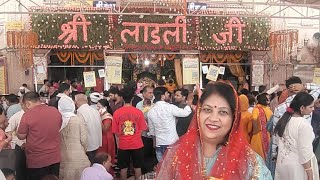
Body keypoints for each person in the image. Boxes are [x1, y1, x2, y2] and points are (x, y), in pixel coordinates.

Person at [156, 81, 272, 179]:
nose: (213, 118)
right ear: (198, 114)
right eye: (207, 110)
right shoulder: (176, 155)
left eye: (223, 112)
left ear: (234, 118)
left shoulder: (250, 162)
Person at [272, 77, 320, 161]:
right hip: (306, 150)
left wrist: (274, 154)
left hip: (286, 153)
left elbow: (275, 133)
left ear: (287, 89)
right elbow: (318, 87)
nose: (312, 108)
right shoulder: (308, 103)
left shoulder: (279, 108)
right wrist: (304, 86)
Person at [274, 92, 319, 180]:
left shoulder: (285, 120)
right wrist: (310, 172)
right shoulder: (303, 124)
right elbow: (305, 150)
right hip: (299, 166)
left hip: (283, 163)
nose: (313, 109)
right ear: (302, 108)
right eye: (310, 107)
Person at [17, 92, 62, 180]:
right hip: (54, 157)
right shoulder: (55, 111)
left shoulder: (27, 115)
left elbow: (21, 136)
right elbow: (59, 127)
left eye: (23, 105)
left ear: (27, 103)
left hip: (37, 160)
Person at [148, 87, 192, 162]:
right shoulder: (170, 107)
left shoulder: (151, 111)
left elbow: (152, 131)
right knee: (173, 170)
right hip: (171, 143)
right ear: (162, 96)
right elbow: (185, 113)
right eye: (167, 93)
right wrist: (189, 103)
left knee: (162, 170)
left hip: (159, 144)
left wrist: (154, 143)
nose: (169, 95)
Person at [112, 88, 147, 180]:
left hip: (123, 145)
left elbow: (115, 132)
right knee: (137, 167)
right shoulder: (138, 112)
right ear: (132, 99)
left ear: (122, 98)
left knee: (123, 168)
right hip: (137, 144)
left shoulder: (116, 113)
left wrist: (119, 144)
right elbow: (142, 129)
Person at [58, 94, 91, 180]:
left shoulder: (58, 120)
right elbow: (84, 139)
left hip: (63, 158)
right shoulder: (78, 120)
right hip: (79, 158)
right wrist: (84, 150)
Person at [75, 93, 102, 164]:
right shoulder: (95, 111)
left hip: (88, 145)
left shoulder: (80, 112)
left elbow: (80, 130)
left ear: (76, 102)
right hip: (96, 142)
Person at [5, 102, 27, 180]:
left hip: (34, 148)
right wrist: (20, 143)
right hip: (21, 148)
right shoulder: (17, 116)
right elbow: (8, 132)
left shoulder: (36, 116)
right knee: (21, 170)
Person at [250, 93, 273, 160]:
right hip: (268, 134)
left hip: (258, 134)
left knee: (257, 156)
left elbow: (254, 120)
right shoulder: (269, 110)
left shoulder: (256, 109)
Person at [96, 99, 115, 176]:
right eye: (97, 106)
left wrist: (98, 119)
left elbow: (105, 129)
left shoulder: (107, 117)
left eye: (99, 106)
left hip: (106, 139)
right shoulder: (102, 116)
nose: (97, 108)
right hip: (103, 138)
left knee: (105, 157)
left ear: (105, 107)